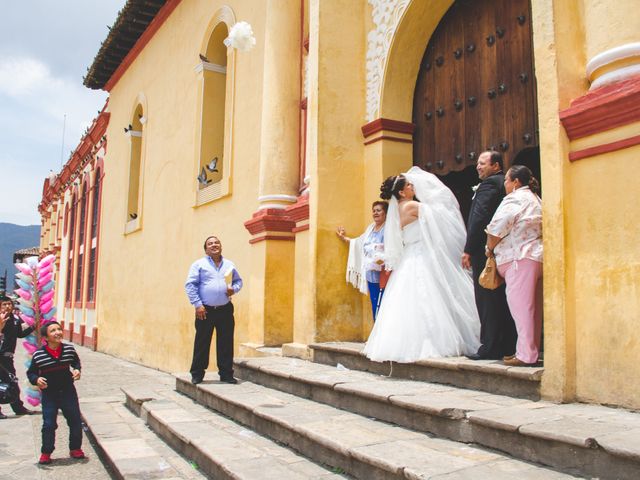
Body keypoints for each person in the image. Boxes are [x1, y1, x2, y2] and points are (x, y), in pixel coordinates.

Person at [362, 167, 480, 362]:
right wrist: (441, 195)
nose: (412, 186)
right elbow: (443, 215)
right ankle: (431, 342)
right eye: (408, 185)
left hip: (409, 255)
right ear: (401, 192)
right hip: (420, 254)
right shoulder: (411, 207)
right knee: (428, 295)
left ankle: (401, 344)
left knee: (408, 300)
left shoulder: (397, 211)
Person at [462, 151, 517, 360]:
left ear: (496, 166)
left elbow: (479, 217)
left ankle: (490, 346)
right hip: (502, 249)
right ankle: (507, 344)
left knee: (487, 299)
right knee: (501, 297)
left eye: (482, 163)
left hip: (485, 250)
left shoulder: (489, 185)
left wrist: (468, 248)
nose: (477, 166)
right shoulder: (500, 184)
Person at [486, 165, 543, 366]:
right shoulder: (536, 199)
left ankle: (526, 354)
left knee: (521, 308)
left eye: (507, 181)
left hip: (518, 257)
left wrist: (489, 248)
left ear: (516, 182)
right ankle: (530, 350)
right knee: (532, 308)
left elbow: (497, 228)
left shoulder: (515, 198)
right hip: (535, 256)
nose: (505, 185)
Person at [185, 236, 243, 385]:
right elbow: (190, 285)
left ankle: (226, 374)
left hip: (225, 309)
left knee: (226, 342)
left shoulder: (229, 264)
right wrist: (197, 305)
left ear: (221, 246)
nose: (214, 245)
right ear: (206, 249)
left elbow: (238, 281)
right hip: (205, 310)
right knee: (202, 342)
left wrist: (233, 289)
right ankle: (197, 374)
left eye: (216, 242)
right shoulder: (199, 264)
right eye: (210, 243)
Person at [27, 321, 85, 465]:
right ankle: (46, 452)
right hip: (49, 394)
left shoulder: (69, 350)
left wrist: (77, 370)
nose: (58, 332)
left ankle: (75, 448)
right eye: (53, 331)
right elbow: (31, 373)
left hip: (68, 392)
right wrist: (37, 379)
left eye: (59, 329)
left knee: (75, 421)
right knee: (49, 424)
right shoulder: (39, 355)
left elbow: (76, 362)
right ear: (45, 337)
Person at [337, 201, 388, 321]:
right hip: (370, 274)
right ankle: (377, 334)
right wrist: (343, 238)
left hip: (383, 274)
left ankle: (383, 335)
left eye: (379, 210)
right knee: (375, 304)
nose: (375, 213)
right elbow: (359, 242)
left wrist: (381, 259)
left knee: (383, 304)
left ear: (385, 213)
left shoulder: (387, 229)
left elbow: (391, 249)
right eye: (374, 210)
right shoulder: (371, 228)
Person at [0, 295, 35, 419]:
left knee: (12, 383)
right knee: (4, 383)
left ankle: (18, 408)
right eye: (4, 304)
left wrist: (33, 327)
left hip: (8, 357)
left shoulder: (15, 318)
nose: (7, 306)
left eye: (9, 304)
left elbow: (20, 334)